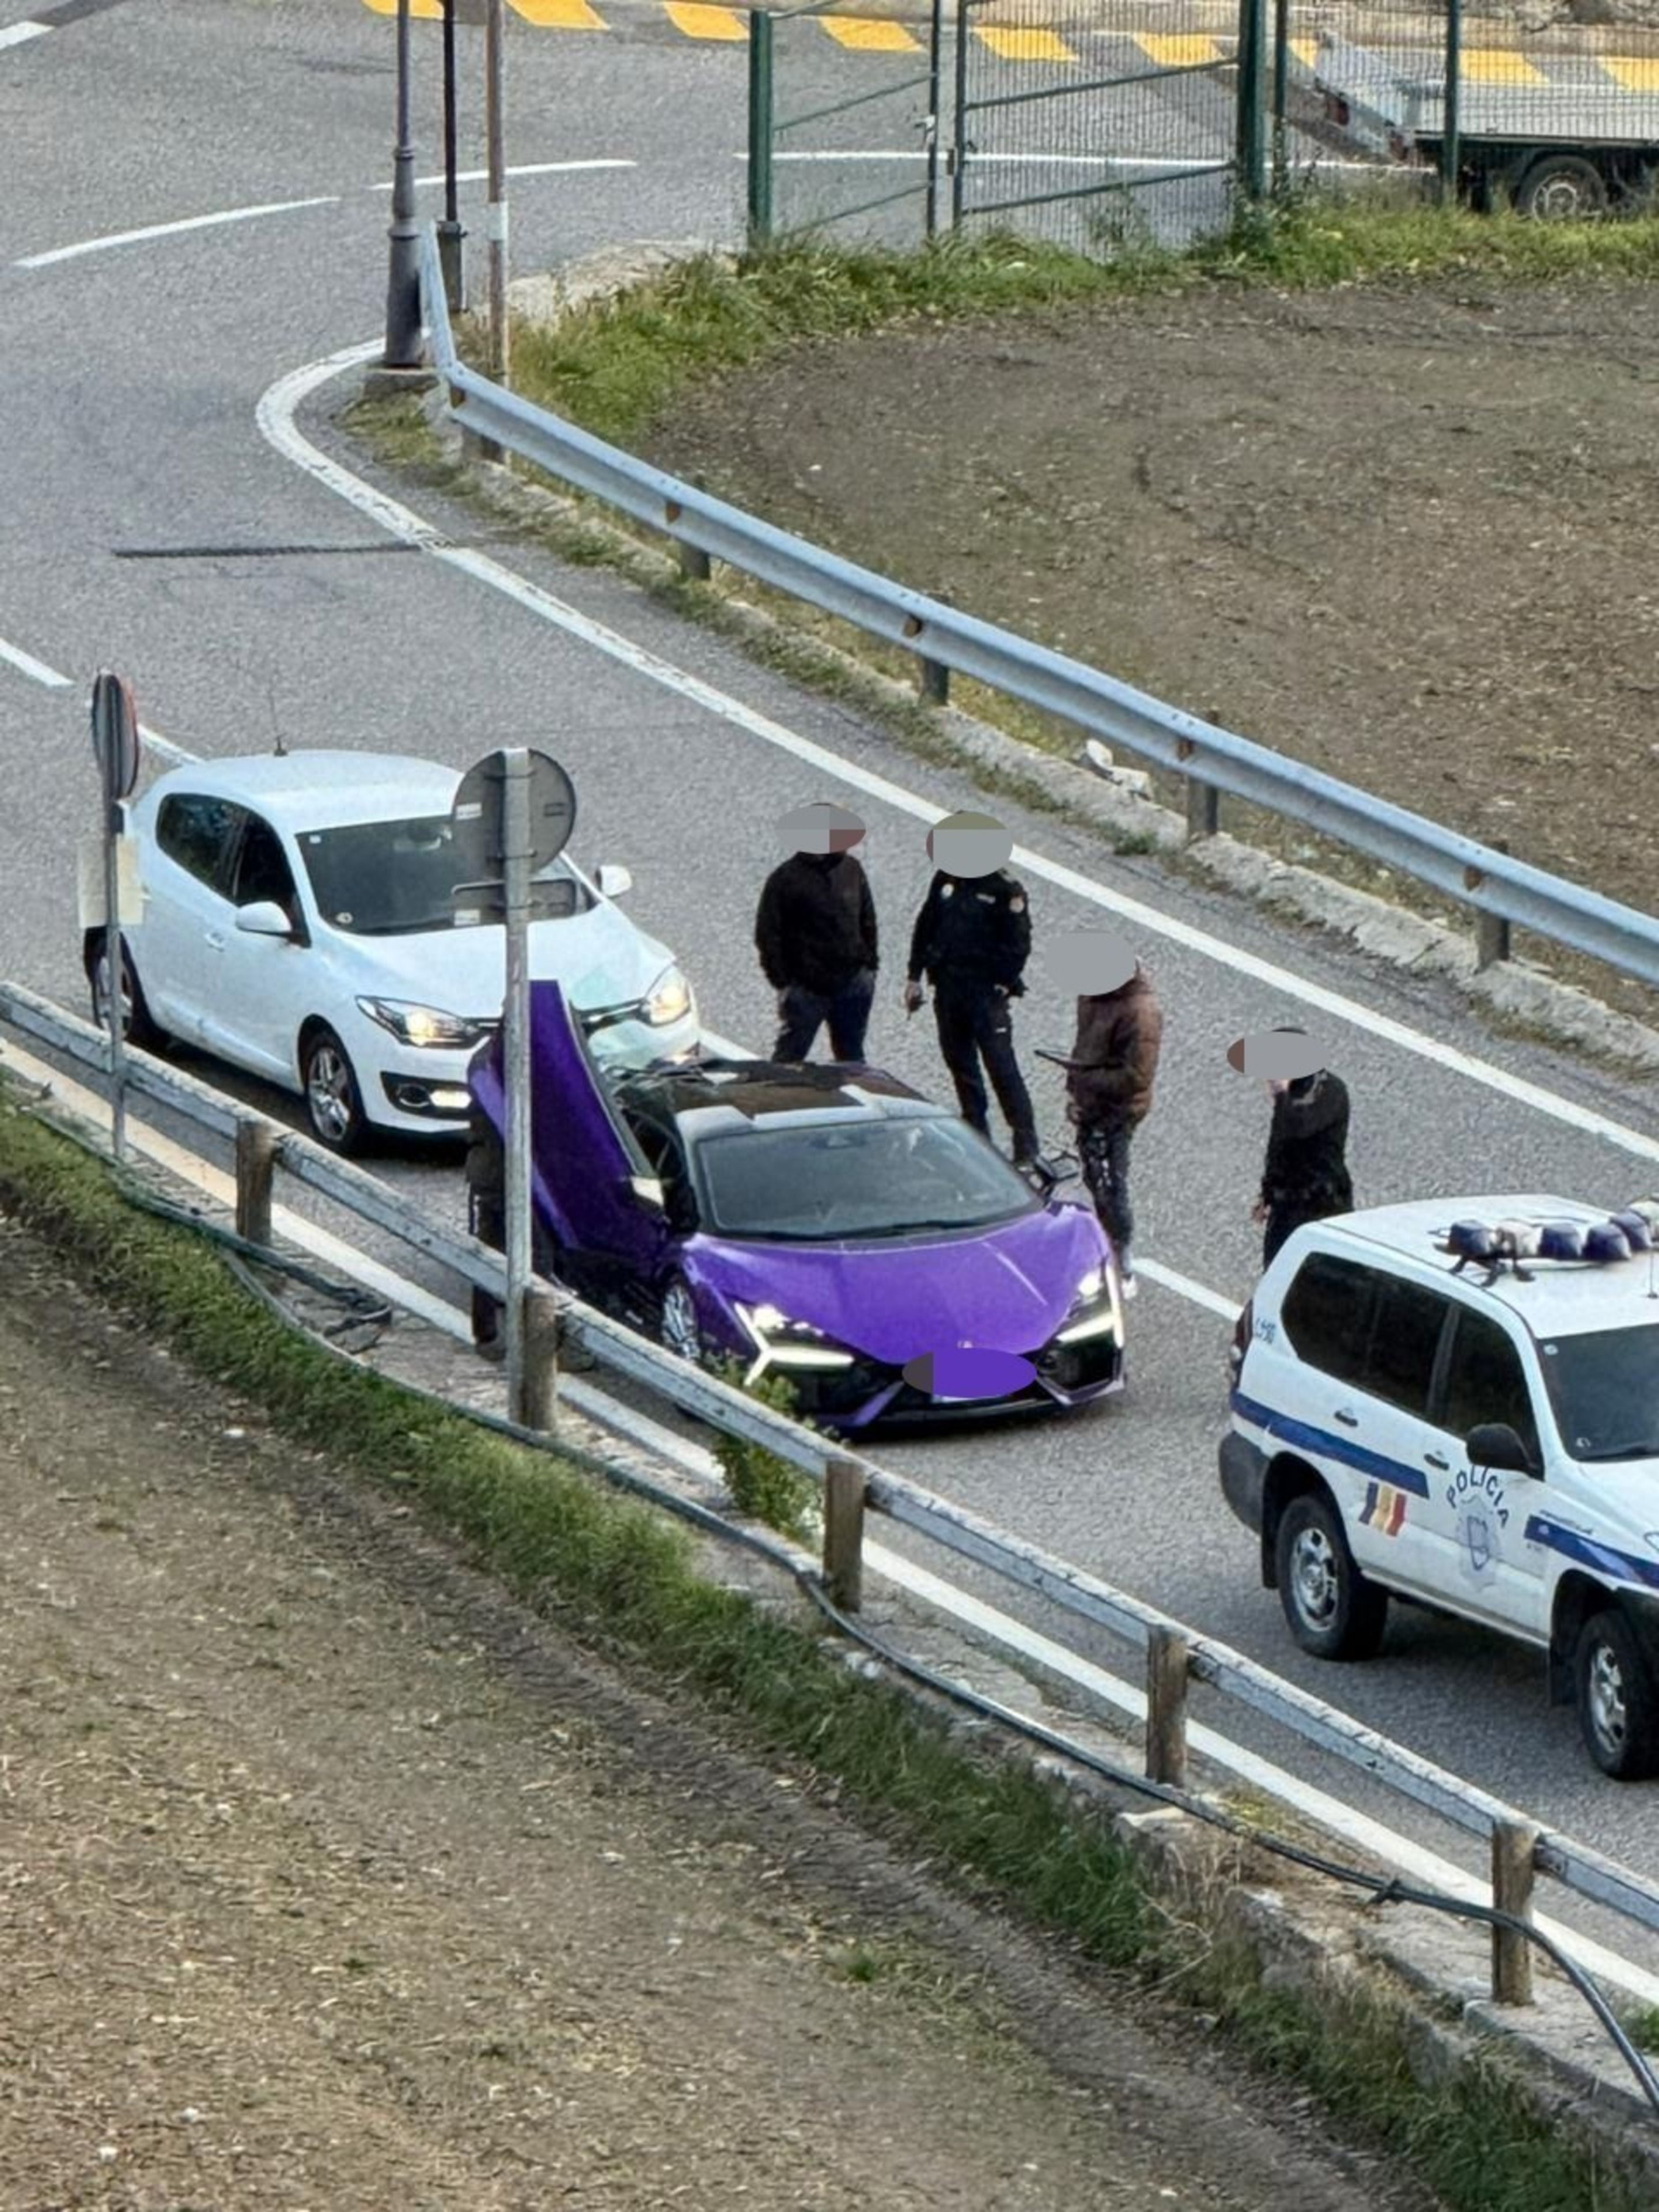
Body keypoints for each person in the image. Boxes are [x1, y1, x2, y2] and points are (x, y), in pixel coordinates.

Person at [904, 820, 1039, 1167]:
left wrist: (1002, 984)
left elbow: (1018, 945)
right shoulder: (948, 879)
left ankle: (1026, 1147)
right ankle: (978, 1137)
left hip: (985, 995)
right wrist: (914, 975)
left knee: (1002, 1070)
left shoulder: (1005, 891)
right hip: (948, 988)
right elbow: (926, 924)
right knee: (960, 1064)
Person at [1064, 959, 1162, 1298]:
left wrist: (1086, 1080)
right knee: (1095, 1175)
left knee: (1111, 1182)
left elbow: (1136, 1077)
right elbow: (1085, 1047)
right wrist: (1077, 1090)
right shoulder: (1092, 994)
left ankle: (1123, 1262)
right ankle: (1107, 1243)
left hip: (1118, 1110)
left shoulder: (1141, 1013)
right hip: (1092, 1101)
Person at [755, 808, 879, 1063]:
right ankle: (778, 1100)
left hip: (853, 983)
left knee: (852, 1059)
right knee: (789, 1060)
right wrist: (783, 983)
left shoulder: (852, 870)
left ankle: (853, 1101)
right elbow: (768, 935)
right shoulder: (785, 880)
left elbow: (867, 918)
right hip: (807, 989)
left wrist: (870, 965)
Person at [1253, 1062, 1354, 1269]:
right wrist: (1268, 1191)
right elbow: (1279, 1147)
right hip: (1288, 1202)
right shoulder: (1293, 1095)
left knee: (1317, 1268)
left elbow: (1299, 1127)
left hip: (1322, 1202)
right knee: (1277, 1267)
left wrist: (1282, 1095)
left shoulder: (1329, 1090)